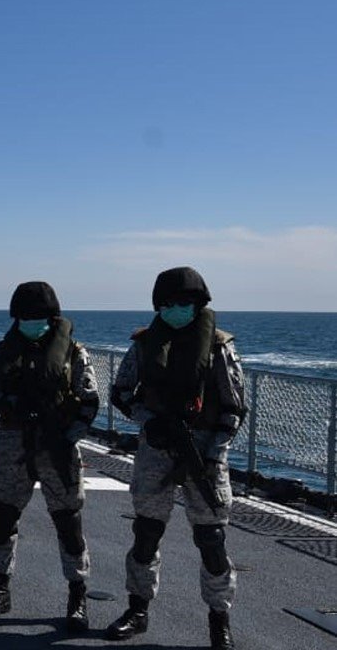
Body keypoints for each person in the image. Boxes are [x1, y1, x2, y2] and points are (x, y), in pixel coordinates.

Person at [105, 267, 245, 649]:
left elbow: (234, 408)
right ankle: (137, 609)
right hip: (156, 448)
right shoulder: (144, 344)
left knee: (211, 539)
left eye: (184, 303)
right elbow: (121, 393)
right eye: (168, 304)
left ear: (198, 304)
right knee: (146, 532)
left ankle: (220, 620)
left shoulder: (218, 347)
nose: (176, 309)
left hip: (204, 453)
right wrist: (149, 422)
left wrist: (214, 453)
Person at [0, 281, 99, 631]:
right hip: (14, 444)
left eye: (38, 316)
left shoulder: (74, 352)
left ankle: (77, 594)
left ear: (52, 317)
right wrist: (12, 403)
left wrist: (68, 437)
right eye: (26, 316)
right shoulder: (3, 352)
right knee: (4, 517)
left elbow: (89, 402)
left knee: (68, 523)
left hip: (57, 448)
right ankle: (0, 588)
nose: (32, 321)